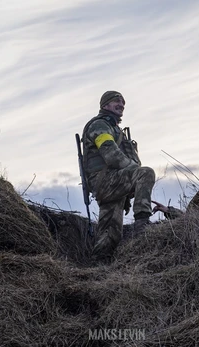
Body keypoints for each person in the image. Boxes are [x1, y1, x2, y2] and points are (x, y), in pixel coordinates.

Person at [81, 91, 155, 262]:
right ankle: (142, 224)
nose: (121, 104)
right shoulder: (99, 125)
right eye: (116, 101)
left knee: (110, 234)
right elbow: (111, 155)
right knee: (146, 172)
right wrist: (134, 173)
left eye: (123, 102)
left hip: (113, 183)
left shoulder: (114, 128)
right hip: (105, 182)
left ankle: (98, 267)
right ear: (105, 105)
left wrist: (126, 189)